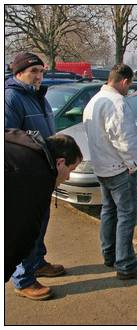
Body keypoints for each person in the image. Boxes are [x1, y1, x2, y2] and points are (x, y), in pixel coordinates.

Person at [5, 52, 66, 298]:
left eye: (41, 71)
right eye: (34, 72)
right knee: (28, 226)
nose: (39, 76)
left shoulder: (38, 96)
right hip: (26, 176)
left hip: (44, 171)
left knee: (41, 223)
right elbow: (8, 137)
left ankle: (37, 263)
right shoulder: (12, 97)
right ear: (19, 73)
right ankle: (23, 279)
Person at [83, 64, 137, 280]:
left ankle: (110, 255)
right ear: (124, 81)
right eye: (129, 85)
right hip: (119, 169)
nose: (128, 90)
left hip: (102, 167)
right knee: (126, 215)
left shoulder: (94, 100)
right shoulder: (117, 103)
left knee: (109, 211)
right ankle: (126, 265)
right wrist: (133, 165)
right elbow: (125, 140)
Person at [5, 129, 82, 299]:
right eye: (71, 169)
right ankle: (23, 281)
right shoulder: (37, 176)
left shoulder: (28, 143)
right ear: (60, 162)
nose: (68, 177)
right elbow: (20, 234)